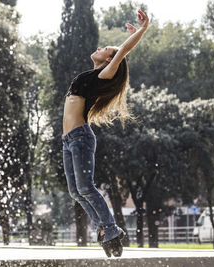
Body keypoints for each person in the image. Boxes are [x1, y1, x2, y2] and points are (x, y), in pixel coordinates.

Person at [61, 9, 149, 258]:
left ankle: (110, 229)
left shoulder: (104, 74)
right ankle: (105, 230)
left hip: (80, 138)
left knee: (86, 188)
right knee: (76, 191)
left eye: (105, 49)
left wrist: (142, 30)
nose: (100, 48)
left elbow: (122, 53)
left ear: (109, 60)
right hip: (68, 140)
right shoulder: (91, 76)